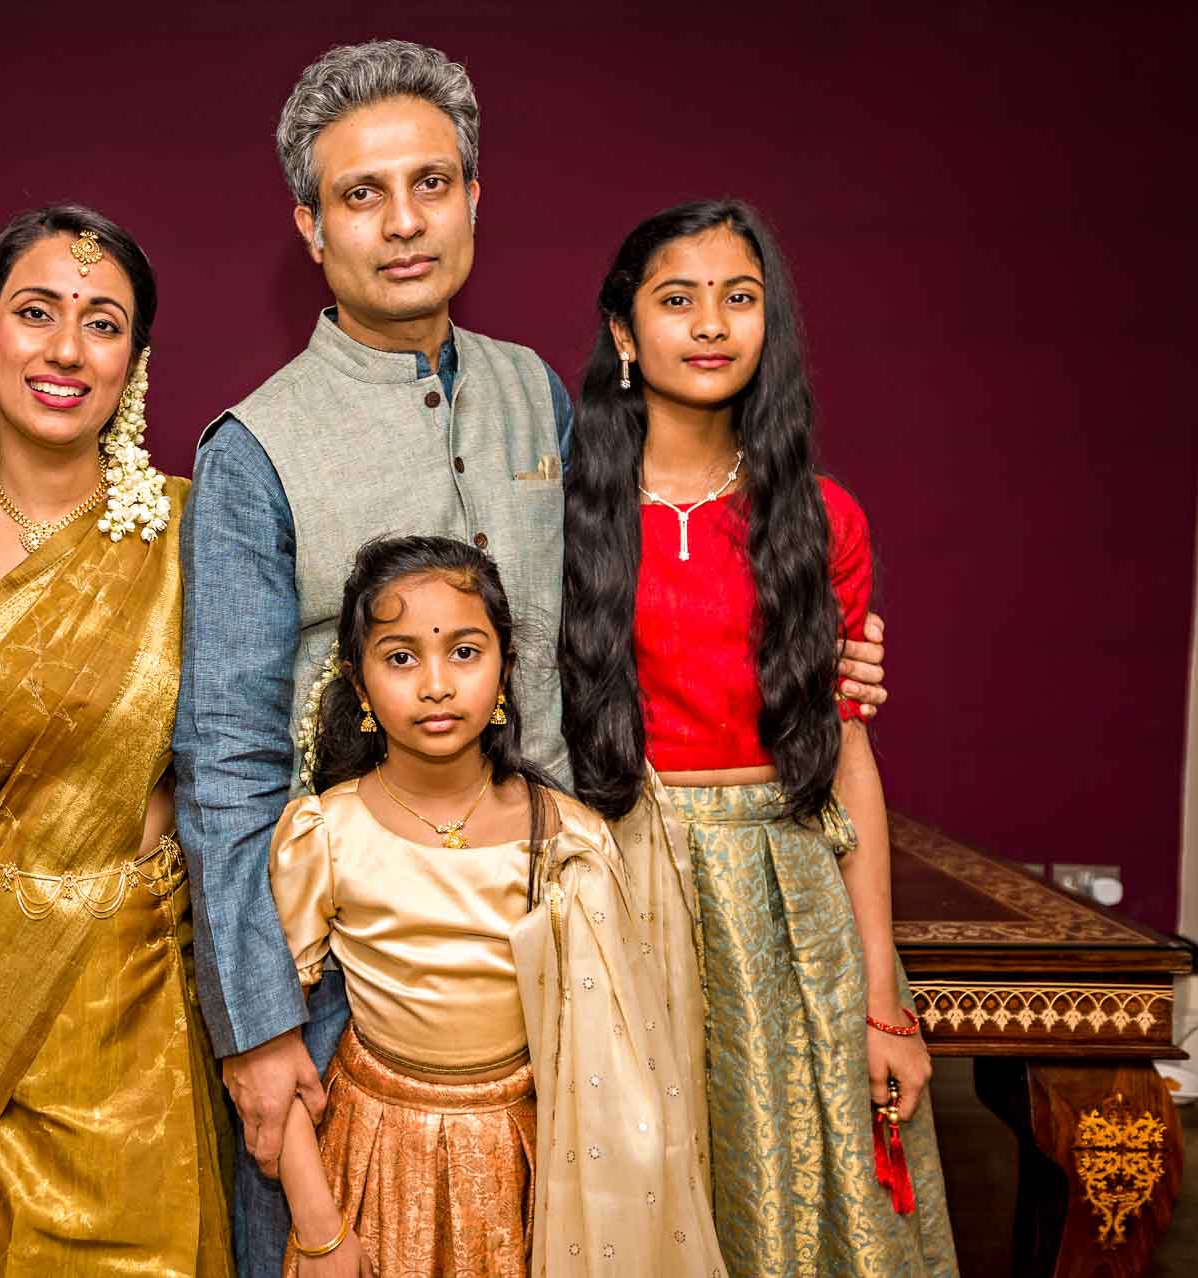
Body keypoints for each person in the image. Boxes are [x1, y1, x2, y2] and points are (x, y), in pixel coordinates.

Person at [172, 39, 890, 1273]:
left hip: (567, 960)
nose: (405, 223)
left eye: (433, 183)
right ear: (308, 225)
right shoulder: (256, 448)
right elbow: (227, 767)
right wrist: (258, 1030)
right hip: (356, 982)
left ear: (474, 199)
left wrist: (820, 646)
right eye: (362, 194)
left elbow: (631, 607)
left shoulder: (539, 401)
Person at [559, 199, 958, 1277]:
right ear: (623, 334)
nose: (711, 324)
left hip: (789, 895)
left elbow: (849, 762)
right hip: (625, 887)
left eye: (741, 299)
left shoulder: (822, 517)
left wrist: (884, 999)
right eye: (676, 300)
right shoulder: (563, 513)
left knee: (801, 1197)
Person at [0, 205, 231, 1276]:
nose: (67, 349)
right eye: (35, 313)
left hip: (135, 1010)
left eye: (102, 322)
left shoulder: (195, 531)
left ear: (137, 360)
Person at [269, 536, 724, 1277]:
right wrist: (319, 1225)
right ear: (357, 682)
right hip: (373, 1156)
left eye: (465, 652)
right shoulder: (326, 833)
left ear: (506, 668)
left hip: (530, 1162)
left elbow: (624, 1059)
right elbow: (269, 1047)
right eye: (401, 657)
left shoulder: (567, 838)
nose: (437, 686)